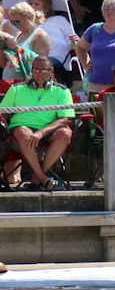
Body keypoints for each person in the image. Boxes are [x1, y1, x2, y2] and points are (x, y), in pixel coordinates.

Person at [0, 56, 75, 191]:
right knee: (24, 132)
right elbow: (2, 114)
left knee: (65, 133)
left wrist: (40, 133)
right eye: (35, 70)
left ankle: (37, 177)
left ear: (51, 72)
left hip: (48, 133)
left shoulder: (62, 91)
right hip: (20, 134)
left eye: (42, 70)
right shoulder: (17, 89)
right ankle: (43, 178)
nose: (38, 73)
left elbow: (65, 119)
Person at [3, 3, 51, 82]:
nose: (15, 25)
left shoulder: (40, 36)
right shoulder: (18, 34)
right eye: (12, 22)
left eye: (17, 21)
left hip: (26, 85)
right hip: (9, 83)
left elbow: (40, 65)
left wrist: (15, 48)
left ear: (29, 18)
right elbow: (7, 62)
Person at [28, 0, 74, 66]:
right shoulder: (27, 25)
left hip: (58, 59)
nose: (32, 6)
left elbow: (72, 38)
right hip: (34, 61)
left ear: (45, 7)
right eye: (30, 4)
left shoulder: (58, 19)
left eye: (36, 4)